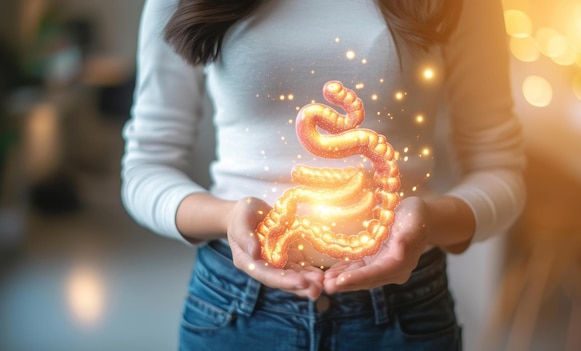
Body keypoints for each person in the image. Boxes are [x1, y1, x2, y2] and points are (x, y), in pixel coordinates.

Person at [121, 0, 526, 349]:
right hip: (235, 309)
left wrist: (429, 222)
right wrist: (228, 217)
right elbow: (146, 165)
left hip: (405, 313)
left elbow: (498, 167)